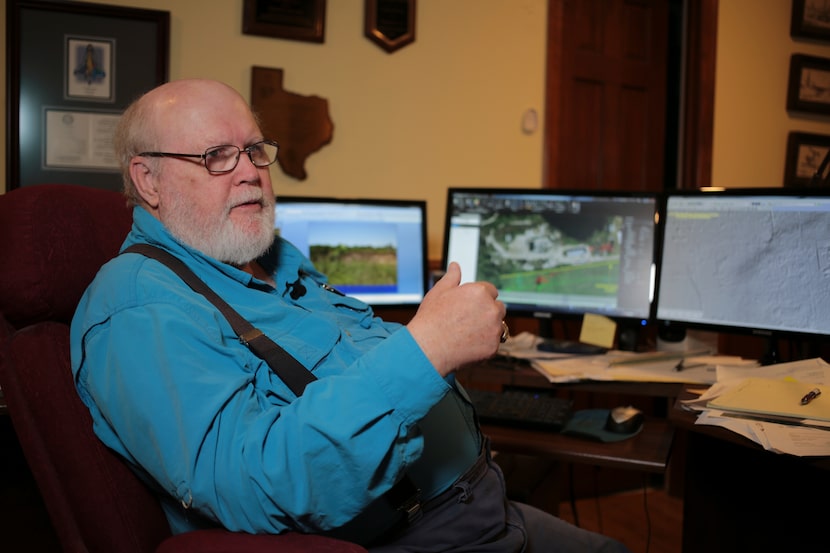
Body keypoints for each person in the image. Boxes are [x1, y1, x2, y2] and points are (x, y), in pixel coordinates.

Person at [70, 78, 631, 552]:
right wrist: (428, 349)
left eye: (255, 150)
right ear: (148, 181)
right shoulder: (138, 307)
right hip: (424, 535)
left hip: (483, 501)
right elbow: (253, 484)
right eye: (216, 156)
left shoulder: (270, 261)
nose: (249, 173)